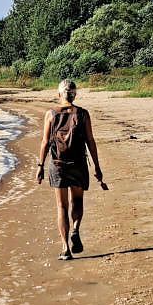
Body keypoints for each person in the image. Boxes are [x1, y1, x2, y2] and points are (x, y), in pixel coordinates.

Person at [36, 79, 105, 260]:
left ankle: (66, 248)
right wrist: (97, 167)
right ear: (74, 95)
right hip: (79, 163)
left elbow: (45, 142)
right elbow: (90, 141)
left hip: (58, 164)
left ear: (59, 94)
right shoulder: (83, 114)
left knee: (62, 206)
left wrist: (40, 166)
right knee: (77, 201)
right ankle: (75, 228)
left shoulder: (51, 114)